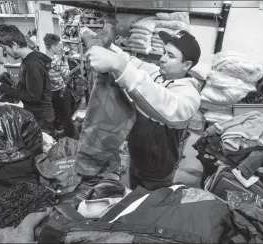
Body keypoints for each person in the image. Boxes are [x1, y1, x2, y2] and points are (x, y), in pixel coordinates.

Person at [85, 30, 202, 190]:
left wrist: (119, 67)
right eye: (163, 53)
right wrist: (109, 46)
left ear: (187, 65)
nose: (162, 59)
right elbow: (131, 61)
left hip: (158, 171)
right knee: (134, 194)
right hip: (137, 158)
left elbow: (166, 104)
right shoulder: (157, 74)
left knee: (149, 207)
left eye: (171, 56)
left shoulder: (189, 96)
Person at [0, 24, 55, 134]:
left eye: (4, 48)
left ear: (14, 44)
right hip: (39, 115)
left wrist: (4, 88)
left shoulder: (32, 64)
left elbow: (34, 97)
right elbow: (33, 86)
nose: (5, 52)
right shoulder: (30, 59)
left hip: (41, 118)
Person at [43, 33, 74, 138]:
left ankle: (57, 137)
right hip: (60, 92)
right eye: (59, 47)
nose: (61, 49)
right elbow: (66, 74)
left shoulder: (42, 58)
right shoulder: (56, 60)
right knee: (66, 117)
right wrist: (65, 60)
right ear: (53, 47)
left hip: (48, 93)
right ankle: (70, 138)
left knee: (55, 116)